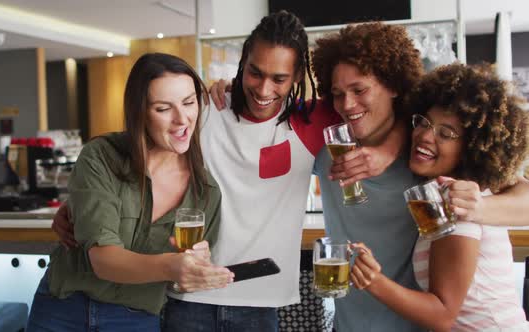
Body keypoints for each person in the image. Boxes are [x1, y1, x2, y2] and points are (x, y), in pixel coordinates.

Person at [52, 11, 402, 331]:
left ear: (297, 76)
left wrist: (387, 152)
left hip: (260, 301)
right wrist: (79, 210)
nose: (264, 90)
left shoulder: (312, 121)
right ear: (242, 63)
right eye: (255, 73)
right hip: (184, 299)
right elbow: (132, 158)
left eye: (279, 78)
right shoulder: (201, 110)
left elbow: (405, 108)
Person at [311, 22, 529, 331]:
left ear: (395, 86)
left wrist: (476, 207)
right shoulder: (411, 155)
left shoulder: (452, 184)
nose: (347, 104)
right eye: (337, 94)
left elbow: (524, 195)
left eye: (360, 90)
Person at [26, 53, 233, 332]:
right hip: (63, 309)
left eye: (189, 102)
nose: (182, 119)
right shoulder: (101, 157)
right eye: (163, 108)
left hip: (134, 319)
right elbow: (102, 260)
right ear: (140, 112)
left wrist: (194, 268)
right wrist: (172, 265)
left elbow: (180, 281)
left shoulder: (206, 192)